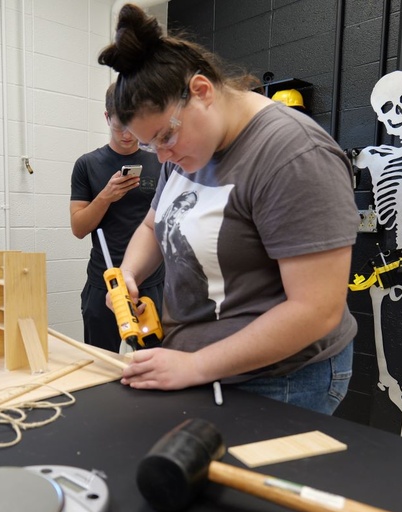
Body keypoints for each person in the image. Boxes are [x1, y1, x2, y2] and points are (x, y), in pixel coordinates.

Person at [97, 4, 358, 415]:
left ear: (202, 91)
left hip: (280, 379)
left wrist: (196, 365)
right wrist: (129, 274)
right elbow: (153, 224)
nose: (162, 156)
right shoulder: (187, 150)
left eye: (165, 136)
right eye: (151, 145)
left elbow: (316, 310)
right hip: (200, 368)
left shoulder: (293, 154)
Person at [70, 83, 164, 352]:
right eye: (119, 125)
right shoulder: (87, 164)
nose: (126, 134)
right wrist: (105, 196)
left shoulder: (160, 161)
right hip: (104, 281)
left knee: (155, 365)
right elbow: (78, 228)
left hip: (152, 281)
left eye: (133, 125)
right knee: (102, 366)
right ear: (107, 118)